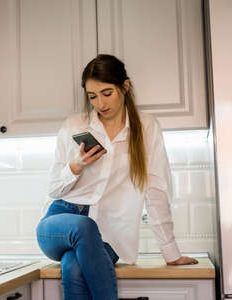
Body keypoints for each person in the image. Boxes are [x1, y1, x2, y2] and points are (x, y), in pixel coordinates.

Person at [36, 54, 198, 300]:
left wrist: (170, 252)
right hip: (60, 221)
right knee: (83, 226)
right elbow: (53, 188)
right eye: (92, 96)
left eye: (106, 93)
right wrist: (76, 165)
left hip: (106, 236)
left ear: (125, 86)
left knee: (74, 266)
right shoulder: (73, 126)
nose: (100, 103)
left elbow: (155, 191)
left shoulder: (146, 128)